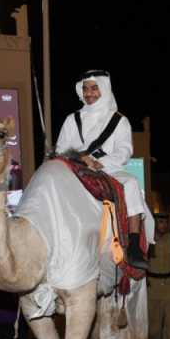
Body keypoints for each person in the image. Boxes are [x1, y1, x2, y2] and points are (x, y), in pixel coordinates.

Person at [55, 69, 153, 269]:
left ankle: (133, 246)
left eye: (93, 88)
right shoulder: (71, 120)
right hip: (76, 170)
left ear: (105, 89)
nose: (88, 93)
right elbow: (60, 149)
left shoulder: (119, 120)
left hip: (109, 169)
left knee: (132, 184)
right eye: (85, 89)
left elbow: (125, 150)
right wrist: (81, 159)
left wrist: (101, 163)